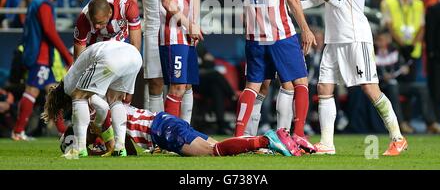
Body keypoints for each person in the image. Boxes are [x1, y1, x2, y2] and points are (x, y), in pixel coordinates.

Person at [297, 0, 407, 156]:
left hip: (355, 36)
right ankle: (327, 144)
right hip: (334, 38)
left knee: (369, 88)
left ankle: (397, 138)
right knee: (324, 86)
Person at [234, 0, 316, 153]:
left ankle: (239, 137)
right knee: (300, 82)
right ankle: (297, 136)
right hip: (280, 32)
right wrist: (306, 29)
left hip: (254, 33)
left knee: (253, 86)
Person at [59, 102, 298, 157]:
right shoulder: (107, 108)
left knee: (214, 153)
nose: (90, 141)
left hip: (163, 131)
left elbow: (126, 149)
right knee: (218, 148)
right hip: (166, 123)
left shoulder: (101, 122)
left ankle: (266, 140)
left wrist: (95, 153)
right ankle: (283, 144)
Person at [43, 41, 143, 157]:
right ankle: (120, 148)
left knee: (78, 96)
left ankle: (79, 149)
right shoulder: (72, 73)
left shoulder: (69, 86)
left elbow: (103, 107)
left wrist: (98, 123)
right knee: (115, 100)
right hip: (135, 56)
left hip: (112, 58)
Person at [12, 0, 73, 141]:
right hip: (40, 55)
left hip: (39, 54)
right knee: (32, 90)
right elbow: (50, 32)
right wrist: (67, 56)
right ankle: (18, 131)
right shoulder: (43, 2)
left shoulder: (39, 1)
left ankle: (63, 131)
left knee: (52, 92)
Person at [381, 0, 440, 134]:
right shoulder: (388, 2)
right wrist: (402, 45)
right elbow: (389, 26)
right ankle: (399, 123)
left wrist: (413, 45)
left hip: (412, 53)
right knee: (396, 88)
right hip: (394, 53)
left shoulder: (418, 4)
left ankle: (409, 121)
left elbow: (422, 27)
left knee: (409, 89)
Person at [159, 0, 203, 123]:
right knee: (176, 87)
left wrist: (196, 24)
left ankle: (184, 133)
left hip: (186, 35)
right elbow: (167, 2)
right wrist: (188, 24)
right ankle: (167, 135)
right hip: (173, 35)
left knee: (186, 86)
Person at [73, 0, 141, 60]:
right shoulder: (83, 18)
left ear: (110, 13)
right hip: (95, 43)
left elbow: (135, 44)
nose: (96, 26)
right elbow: (78, 57)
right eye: (94, 22)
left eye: (100, 22)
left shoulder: (128, 6)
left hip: (121, 39)